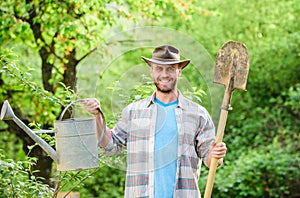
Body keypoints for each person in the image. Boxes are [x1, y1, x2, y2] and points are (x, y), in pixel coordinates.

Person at [82, 45, 227, 198]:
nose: (164, 74)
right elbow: (110, 146)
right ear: (151, 71)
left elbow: (210, 160)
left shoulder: (197, 114)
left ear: (179, 71)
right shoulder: (133, 112)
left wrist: (216, 155)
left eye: (170, 69)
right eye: (159, 69)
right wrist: (97, 116)